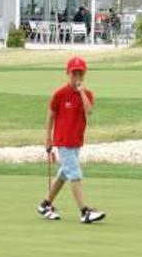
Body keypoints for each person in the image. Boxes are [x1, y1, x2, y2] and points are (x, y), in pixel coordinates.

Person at [37, 57, 106, 224]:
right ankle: (84, 211)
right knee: (75, 173)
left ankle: (45, 205)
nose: (77, 77)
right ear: (68, 73)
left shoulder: (87, 94)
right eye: (74, 73)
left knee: (63, 174)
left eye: (80, 73)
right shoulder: (60, 94)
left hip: (76, 142)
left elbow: (89, 111)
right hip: (63, 142)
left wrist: (81, 92)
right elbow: (51, 115)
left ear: (84, 74)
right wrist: (48, 138)